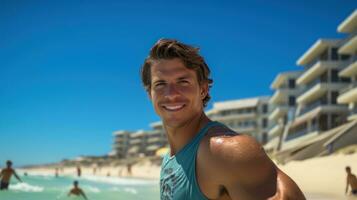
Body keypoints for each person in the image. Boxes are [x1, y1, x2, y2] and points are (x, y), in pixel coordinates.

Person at [141, 39, 306, 199]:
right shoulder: (169, 158)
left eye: (183, 82)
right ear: (150, 94)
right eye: (160, 84)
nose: (171, 94)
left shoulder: (225, 152)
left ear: (203, 90)